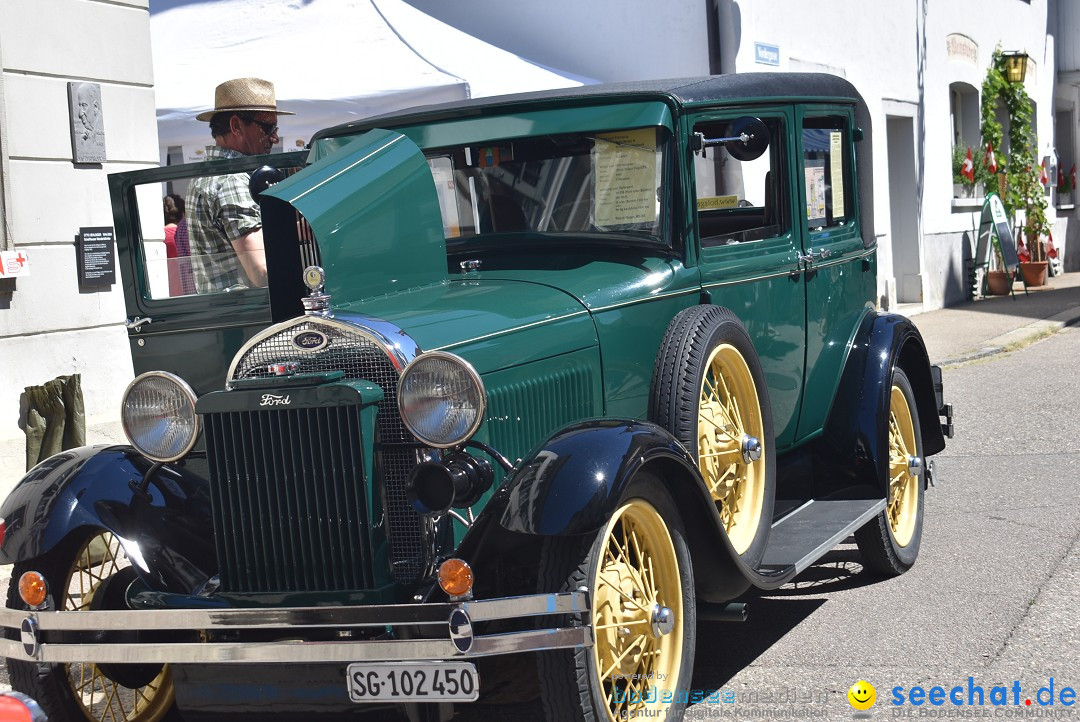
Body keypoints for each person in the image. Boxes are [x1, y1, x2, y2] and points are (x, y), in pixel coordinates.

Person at [186, 78, 293, 293]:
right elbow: (262, 272)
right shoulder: (232, 179)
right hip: (251, 319)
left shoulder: (204, 175)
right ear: (236, 126)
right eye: (268, 127)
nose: (275, 137)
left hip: (227, 316)